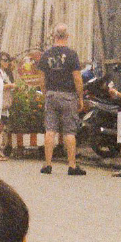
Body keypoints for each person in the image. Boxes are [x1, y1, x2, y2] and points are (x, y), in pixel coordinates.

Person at [36, 24, 86, 176]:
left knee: (50, 130)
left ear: (54, 36)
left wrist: (46, 93)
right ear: (67, 36)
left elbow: (41, 78)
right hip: (68, 95)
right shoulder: (71, 54)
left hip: (51, 94)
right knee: (70, 131)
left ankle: (48, 164)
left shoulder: (46, 54)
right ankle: (71, 165)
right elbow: (77, 78)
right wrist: (80, 97)